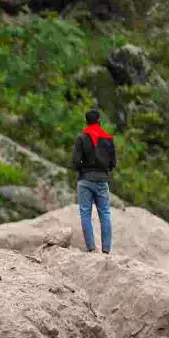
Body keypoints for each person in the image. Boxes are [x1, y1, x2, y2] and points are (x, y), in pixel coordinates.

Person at [71, 107, 116, 254]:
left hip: (85, 180)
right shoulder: (108, 139)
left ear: (86, 121)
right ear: (99, 121)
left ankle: (91, 249)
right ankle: (106, 250)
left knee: (85, 213)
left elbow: (76, 162)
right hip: (102, 180)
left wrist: (84, 169)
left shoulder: (81, 138)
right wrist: (103, 170)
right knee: (105, 213)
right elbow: (113, 164)